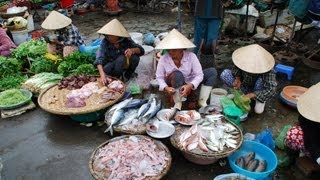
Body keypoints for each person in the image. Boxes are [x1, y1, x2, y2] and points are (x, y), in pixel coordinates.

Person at [155, 29, 217, 110]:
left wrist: (190, 85)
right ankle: (178, 103)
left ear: (181, 49)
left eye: (174, 50)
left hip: (189, 82)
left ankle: (202, 101)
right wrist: (166, 88)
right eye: (168, 50)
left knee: (212, 72)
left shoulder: (191, 56)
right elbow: (159, 77)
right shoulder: (164, 58)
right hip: (173, 83)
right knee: (177, 74)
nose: (170, 52)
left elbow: (199, 74)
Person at [220, 44, 277, 114]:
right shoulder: (242, 59)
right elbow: (236, 69)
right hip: (244, 85)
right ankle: (240, 94)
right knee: (225, 74)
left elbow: (271, 90)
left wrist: (253, 94)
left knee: (258, 111)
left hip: (257, 90)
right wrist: (237, 78)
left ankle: (258, 100)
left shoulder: (268, 70)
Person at [94, 19, 144, 84]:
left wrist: (132, 50)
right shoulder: (105, 42)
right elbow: (99, 59)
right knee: (116, 62)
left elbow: (141, 50)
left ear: (116, 35)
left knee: (135, 58)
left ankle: (128, 75)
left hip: (124, 63)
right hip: (112, 65)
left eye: (109, 35)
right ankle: (117, 78)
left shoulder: (126, 40)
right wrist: (102, 75)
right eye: (106, 35)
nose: (107, 37)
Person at [285, 82, 320, 165]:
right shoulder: (308, 114)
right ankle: (293, 157)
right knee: (293, 134)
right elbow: (310, 136)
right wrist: (318, 156)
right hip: (314, 142)